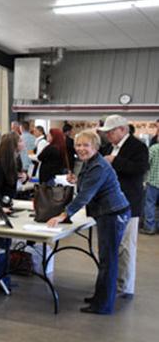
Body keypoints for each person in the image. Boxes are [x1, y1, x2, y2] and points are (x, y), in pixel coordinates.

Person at [47, 130, 130, 314]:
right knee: (106, 259)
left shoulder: (98, 166)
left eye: (86, 145)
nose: (81, 149)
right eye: (78, 145)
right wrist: (75, 180)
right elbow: (85, 186)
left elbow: (84, 196)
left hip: (113, 213)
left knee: (108, 261)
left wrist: (63, 215)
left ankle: (103, 305)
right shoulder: (89, 163)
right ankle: (100, 298)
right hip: (106, 213)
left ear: (95, 147)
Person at [99, 115, 149, 299]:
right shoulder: (108, 147)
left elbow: (140, 169)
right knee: (111, 247)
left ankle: (124, 286)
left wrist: (115, 161)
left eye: (111, 132)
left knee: (126, 247)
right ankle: (112, 283)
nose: (108, 136)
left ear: (122, 129)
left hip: (129, 203)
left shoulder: (138, 147)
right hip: (109, 205)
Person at [0, 132, 28, 287]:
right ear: (14, 144)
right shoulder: (0, 163)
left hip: (7, 206)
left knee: (5, 244)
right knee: (0, 245)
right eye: (21, 140)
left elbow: (17, 178)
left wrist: (25, 177)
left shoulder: (15, 159)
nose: (24, 142)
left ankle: (4, 279)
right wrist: (1, 208)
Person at [141, 139, 159, 235]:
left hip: (153, 181)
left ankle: (149, 227)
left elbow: (145, 162)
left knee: (150, 204)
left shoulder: (154, 148)